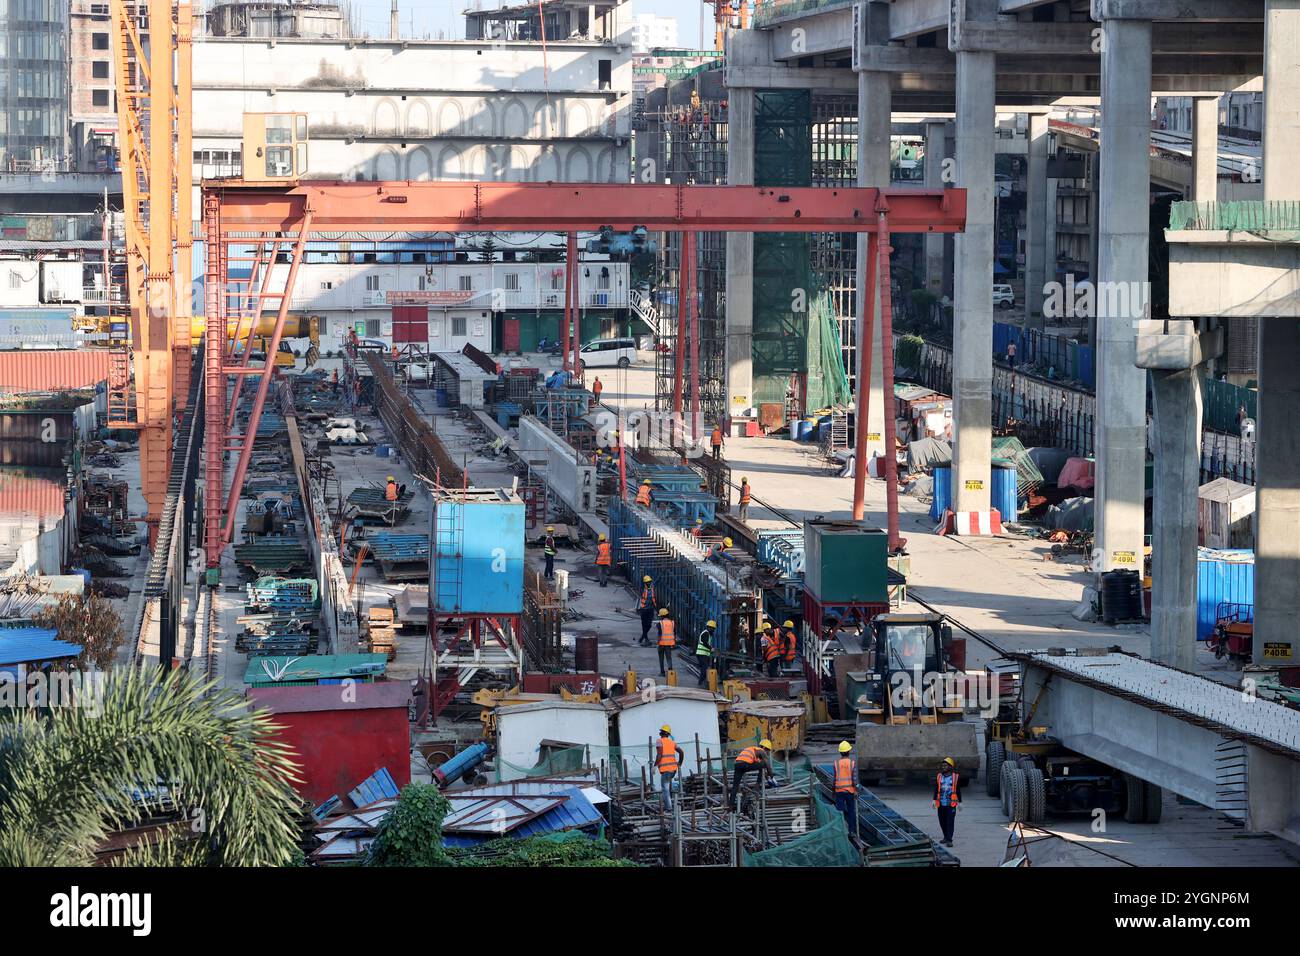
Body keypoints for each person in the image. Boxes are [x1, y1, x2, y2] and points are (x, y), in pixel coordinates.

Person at [731, 739, 773, 810]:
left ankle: (730, 806)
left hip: (737, 765)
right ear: (764, 748)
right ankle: (757, 786)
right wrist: (771, 776)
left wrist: (766, 775)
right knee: (764, 765)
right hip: (745, 764)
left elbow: (758, 765)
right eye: (767, 751)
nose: (767, 753)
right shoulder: (761, 751)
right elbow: (767, 765)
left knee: (735, 786)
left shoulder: (752, 750)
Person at [655, 725, 685, 814]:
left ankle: (668, 808)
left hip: (666, 770)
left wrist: (654, 765)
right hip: (673, 770)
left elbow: (659, 755)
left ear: (662, 733)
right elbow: (681, 752)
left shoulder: (659, 741)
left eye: (661, 731)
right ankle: (669, 806)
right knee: (667, 787)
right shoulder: (672, 743)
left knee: (665, 789)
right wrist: (680, 763)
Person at [934, 757, 961, 847]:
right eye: (943, 766)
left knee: (950, 822)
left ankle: (949, 840)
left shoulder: (955, 777)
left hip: (951, 804)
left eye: (945, 766)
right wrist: (934, 800)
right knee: (942, 821)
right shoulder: (939, 776)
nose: (943, 767)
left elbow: (958, 790)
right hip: (941, 803)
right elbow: (936, 789)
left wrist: (960, 802)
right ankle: (945, 837)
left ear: (950, 767)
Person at [833, 741, 858, 834]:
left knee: (840, 812)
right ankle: (851, 830)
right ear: (849, 752)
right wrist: (856, 790)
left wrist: (833, 790)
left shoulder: (836, 763)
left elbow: (835, 778)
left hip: (839, 791)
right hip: (850, 791)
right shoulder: (852, 763)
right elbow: (854, 779)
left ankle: (841, 830)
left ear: (840, 752)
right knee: (851, 811)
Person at [694, 619, 717, 687]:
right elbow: (705, 643)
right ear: (709, 627)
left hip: (704, 654)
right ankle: (701, 683)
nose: (713, 630)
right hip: (701, 654)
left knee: (703, 668)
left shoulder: (708, 634)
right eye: (713, 629)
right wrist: (711, 648)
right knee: (704, 668)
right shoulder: (706, 633)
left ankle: (702, 682)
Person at [655, 608, 676, 676]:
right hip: (669, 644)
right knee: (669, 658)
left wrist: (658, 642)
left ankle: (662, 672)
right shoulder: (672, 623)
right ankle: (670, 671)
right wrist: (674, 643)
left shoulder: (660, 623)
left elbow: (660, 634)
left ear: (662, 616)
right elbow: (674, 633)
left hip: (661, 644)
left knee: (661, 658)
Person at [637, 575, 656, 646]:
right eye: (647, 582)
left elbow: (653, 597)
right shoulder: (643, 589)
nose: (649, 583)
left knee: (649, 625)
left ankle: (643, 636)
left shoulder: (652, 588)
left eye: (649, 582)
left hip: (650, 609)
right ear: (645, 583)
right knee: (644, 625)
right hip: (644, 609)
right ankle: (646, 638)